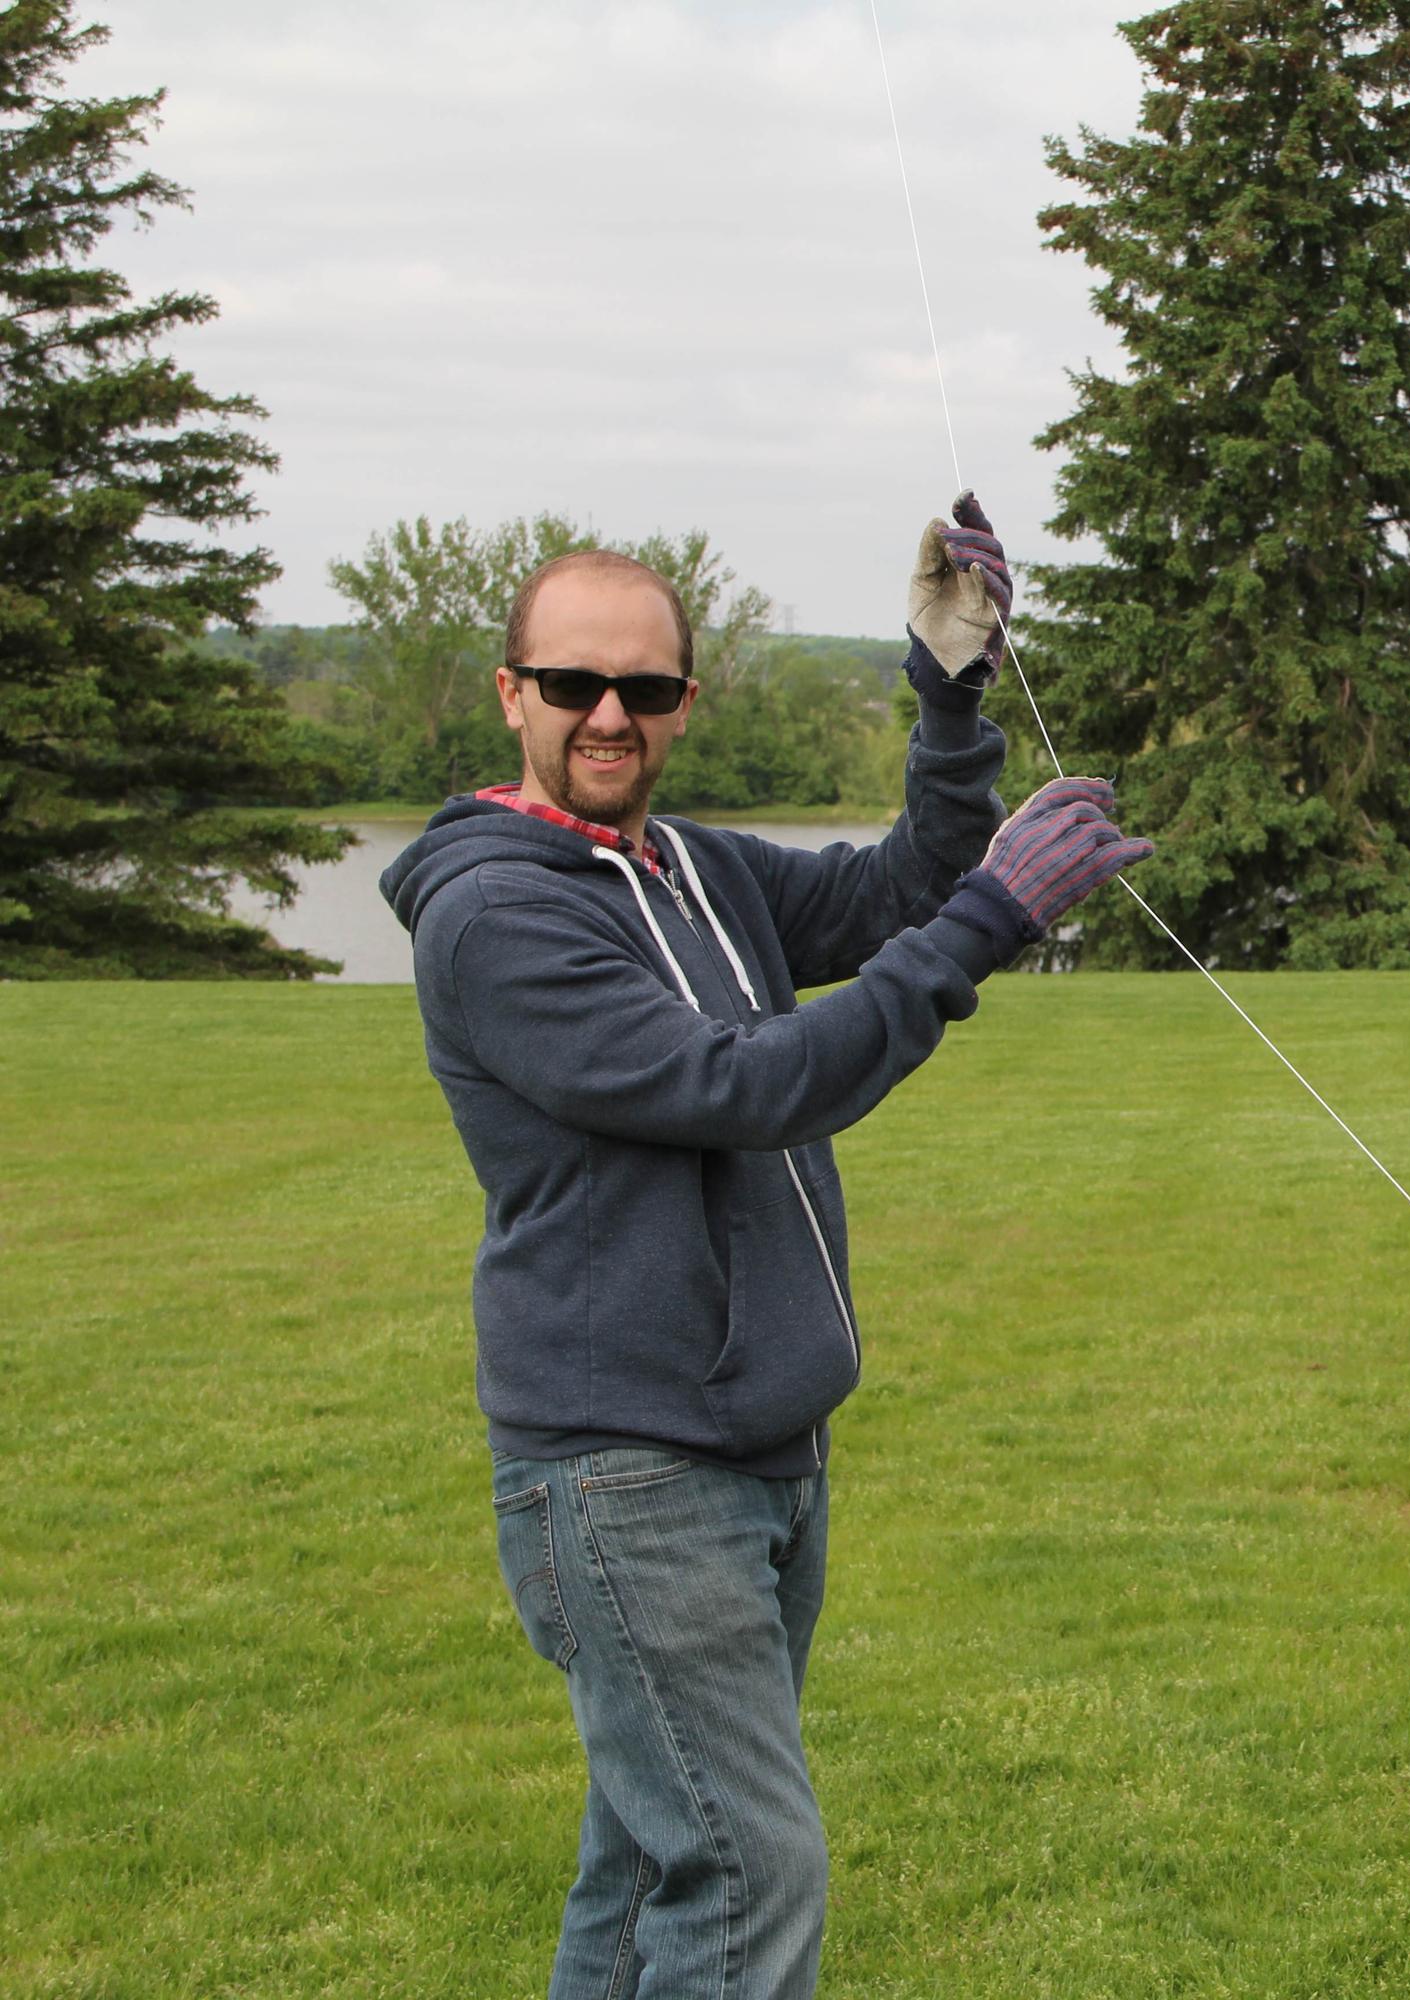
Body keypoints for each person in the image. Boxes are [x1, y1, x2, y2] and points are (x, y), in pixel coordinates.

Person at [379, 499, 1149, 2000]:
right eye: (575, 685)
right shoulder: (495, 915)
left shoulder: (686, 867)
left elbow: (893, 894)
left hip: (761, 1445)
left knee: (648, 1865)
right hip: (628, 1467)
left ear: (684, 701)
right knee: (745, 1870)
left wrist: (949, 698)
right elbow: (740, 1086)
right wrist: (992, 921)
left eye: (646, 688)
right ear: (512, 695)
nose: (611, 716)